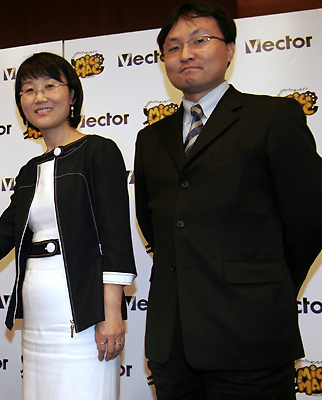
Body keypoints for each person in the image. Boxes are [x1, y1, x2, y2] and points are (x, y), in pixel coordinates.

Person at [133, 2, 322, 399]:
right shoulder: (150, 138)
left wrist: (266, 282)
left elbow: (310, 217)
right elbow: (155, 224)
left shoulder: (273, 116)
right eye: (173, 47)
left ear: (230, 49)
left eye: (199, 40)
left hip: (251, 333)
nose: (185, 54)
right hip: (173, 343)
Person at [0, 52, 137, 399]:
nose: (39, 97)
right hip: (38, 308)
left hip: (85, 309)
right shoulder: (29, 171)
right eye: (28, 89)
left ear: (72, 94)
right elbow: (3, 235)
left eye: (50, 85)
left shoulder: (99, 151)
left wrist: (111, 312)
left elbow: (115, 236)